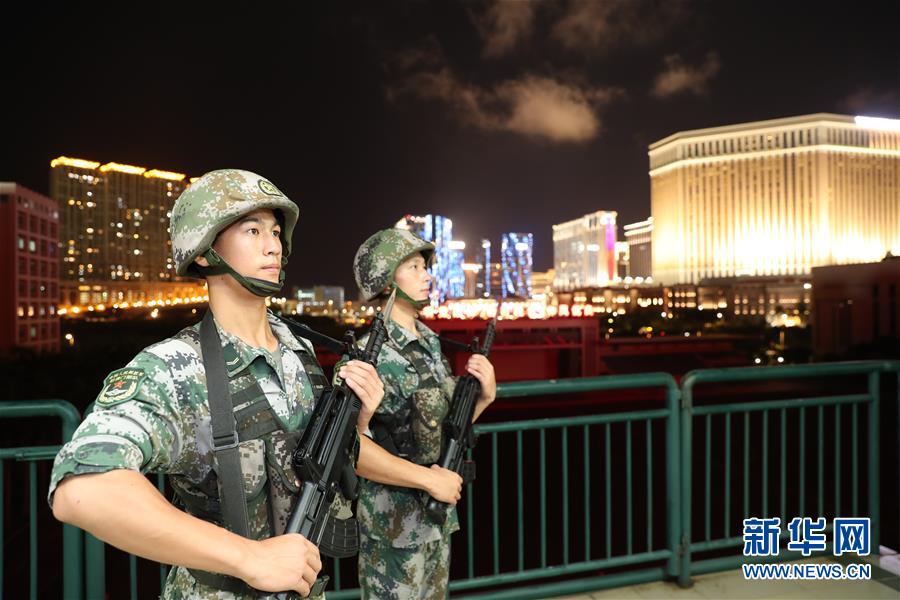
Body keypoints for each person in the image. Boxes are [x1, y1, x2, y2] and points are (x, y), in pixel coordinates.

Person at [47, 169, 405, 599]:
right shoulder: (176, 367)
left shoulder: (299, 352)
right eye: (252, 230)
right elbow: (81, 487)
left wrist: (357, 426)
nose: (273, 245)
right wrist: (248, 558)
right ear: (204, 251)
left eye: (275, 232)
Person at [348, 228, 497, 599]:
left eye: (424, 267)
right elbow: (352, 449)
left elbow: (439, 429)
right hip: (392, 526)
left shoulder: (429, 342)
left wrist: (483, 399)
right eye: (414, 267)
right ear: (385, 280)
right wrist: (429, 480)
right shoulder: (369, 356)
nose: (427, 275)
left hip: (436, 517)